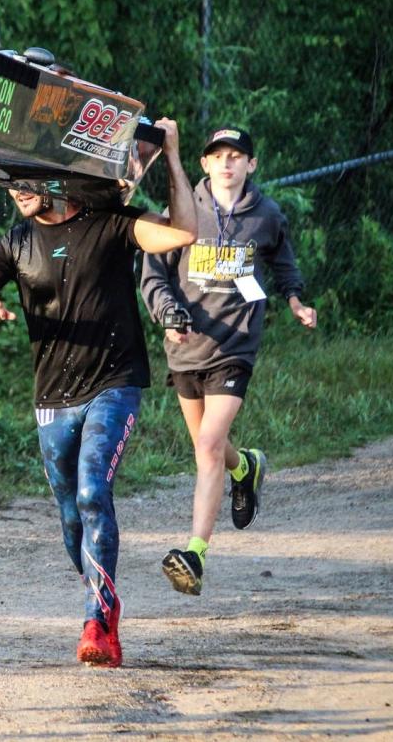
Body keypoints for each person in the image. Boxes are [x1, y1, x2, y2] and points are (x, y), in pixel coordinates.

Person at [0, 119, 197, 668]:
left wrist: (172, 155)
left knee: (90, 492)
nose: (18, 193)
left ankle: (99, 622)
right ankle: (100, 599)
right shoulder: (15, 244)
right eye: (11, 185)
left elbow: (181, 234)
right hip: (52, 396)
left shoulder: (112, 225)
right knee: (70, 520)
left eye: (27, 181)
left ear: (56, 179)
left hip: (114, 383)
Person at [140, 125, 317, 597]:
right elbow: (153, 273)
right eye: (218, 155)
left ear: (251, 165)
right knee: (208, 445)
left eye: (237, 155)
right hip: (186, 345)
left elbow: (283, 261)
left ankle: (194, 553)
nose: (227, 162)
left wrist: (295, 299)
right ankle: (246, 468)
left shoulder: (267, 215)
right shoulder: (181, 210)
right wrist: (167, 314)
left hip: (236, 344)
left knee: (208, 443)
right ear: (203, 164)